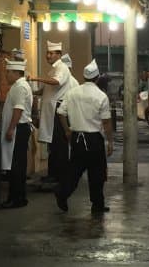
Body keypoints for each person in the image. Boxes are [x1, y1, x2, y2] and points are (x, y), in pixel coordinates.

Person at [55, 59, 113, 214]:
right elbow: (106, 122)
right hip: (95, 139)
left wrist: (67, 130)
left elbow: (60, 112)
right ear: (97, 77)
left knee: (74, 171)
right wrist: (110, 142)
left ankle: (62, 193)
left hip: (77, 138)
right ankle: (97, 205)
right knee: (97, 174)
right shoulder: (101, 96)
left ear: (84, 77)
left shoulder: (72, 93)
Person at [31, 41, 71, 189]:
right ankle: (52, 174)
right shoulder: (53, 69)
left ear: (59, 55)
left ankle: (60, 177)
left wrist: (36, 78)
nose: (48, 56)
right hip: (50, 112)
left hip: (57, 111)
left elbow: (56, 82)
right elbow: (46, 88)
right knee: (53, 145)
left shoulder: (62, 68)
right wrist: (33, 92)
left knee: (59, 145)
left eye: (51, 53)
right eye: (47, 53)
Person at [1, 58, 33, 208]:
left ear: (16, 72)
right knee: (17, 164)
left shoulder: (20, 87)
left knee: (16, 165)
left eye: (8, 72)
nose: (6, 75)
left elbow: (18, 109)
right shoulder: (19, 85)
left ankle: (17, 198)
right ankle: (17, 197)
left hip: (19, 128)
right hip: (19, 127)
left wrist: (11, 128)